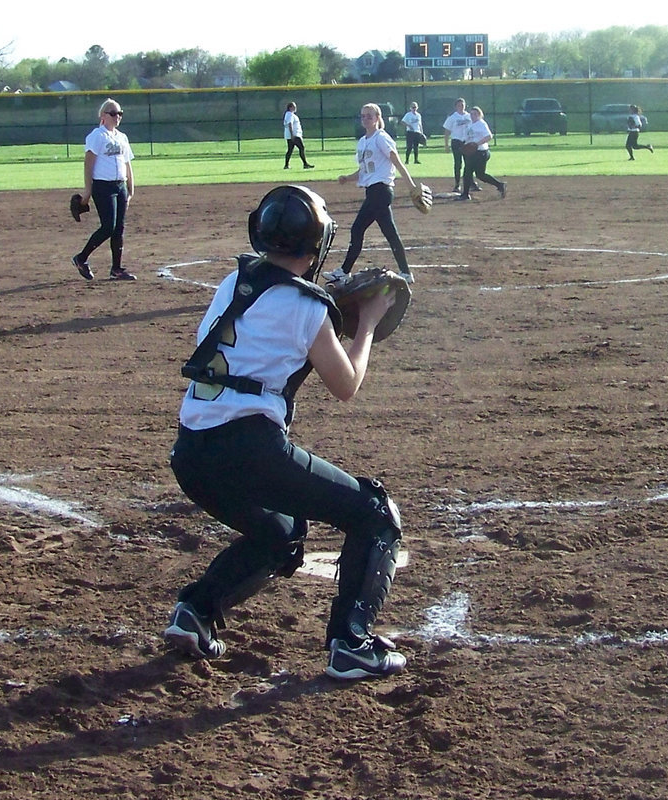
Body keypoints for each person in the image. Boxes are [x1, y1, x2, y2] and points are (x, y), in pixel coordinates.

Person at [164, 184, 407, 681]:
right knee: (375, 514)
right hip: (249, 447)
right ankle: (351, 643)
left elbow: (266, 335)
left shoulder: (233, 283)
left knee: (279, 532)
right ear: (316, 246)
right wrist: (366, 322)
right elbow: (346, 384)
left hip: (191, 452)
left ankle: (198, 612)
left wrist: (326, 312)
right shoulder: (308, 308)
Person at [323, 103, 418, 287]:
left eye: (369, 116)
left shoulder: (381, 138)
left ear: (377, 118)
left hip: (381, 190)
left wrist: (411, 185)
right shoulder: (363, 141)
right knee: (390, 233)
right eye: (363, 116)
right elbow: (364, 171)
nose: (365, 119)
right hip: (374, 191)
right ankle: (406, 272)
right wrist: (347, 178)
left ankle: (343, 271)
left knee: (357, 228)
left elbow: (397, 162)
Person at [71, 98, 136, 281]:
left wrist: (131, 188)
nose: (117, 117)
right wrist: (87, 191)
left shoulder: (122, 137)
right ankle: (81, 258)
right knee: (108, 226)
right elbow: (88, 164)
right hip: (103, 186)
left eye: (120, 113)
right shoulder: (97, 136)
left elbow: (127, 163)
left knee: (119, 229)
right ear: (103, 116)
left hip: (120, 185)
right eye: (113, 113)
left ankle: (116, 269)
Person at [457, 106, 507, 201]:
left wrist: (476, 144)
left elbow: (489, 136)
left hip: (481, 152)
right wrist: (463, 145)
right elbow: (467, 138)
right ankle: (465, 194)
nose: (473, 116)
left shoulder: (481, 124)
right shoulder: (470, 124)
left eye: (475, 114)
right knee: (473, 173)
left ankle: (500, 185)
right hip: (473, 153)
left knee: (475, 174)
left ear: (480, 115)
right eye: (471, 114)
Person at [442, 97, 479, 194]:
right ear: (455, 107)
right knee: (458, 164)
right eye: (459, 105)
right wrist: (446, 145)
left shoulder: (469, 116)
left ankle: (471, 183)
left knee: (469, 164)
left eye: (462, 105)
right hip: (456, 141)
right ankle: (457, 184)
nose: (461, 107)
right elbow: (447, 131)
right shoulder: (452, 117)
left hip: (467, 142)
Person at [282, 101, 315, 170]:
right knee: (301, 148)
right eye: (294, 106)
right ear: (290, 107)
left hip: (293, 135)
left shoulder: (290, 114)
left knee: (290, 150)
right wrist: (292, 135)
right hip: (294, 135)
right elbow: (290, 124)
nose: (295, 108)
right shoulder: (289, 114)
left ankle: (286, 165)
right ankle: (305, 164)